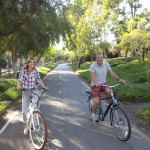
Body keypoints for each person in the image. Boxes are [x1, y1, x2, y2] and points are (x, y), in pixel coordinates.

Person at [90, 52, 125, 122]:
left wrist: (119, 79)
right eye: (98, 58)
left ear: (103, 58)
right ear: (96, 59)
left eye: (101, 57)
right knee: (96, 102)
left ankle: (108, 104)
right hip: (95, 85)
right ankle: (94, 114)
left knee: (109, 92)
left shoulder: (106, 64)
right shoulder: (93, 66)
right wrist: (96, 83)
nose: (99, 59)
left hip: (103, 83)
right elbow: (92, 78)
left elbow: (112, 73)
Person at [16, 58, 46, 135]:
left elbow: (39, 80)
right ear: (28, 63)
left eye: (33, 62)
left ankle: (34, 118)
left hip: (34, 91)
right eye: (31, 62)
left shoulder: (35, 71)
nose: (32, 63)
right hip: (26, 92)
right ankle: (26, 126)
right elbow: (20, 79)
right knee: (24, 112)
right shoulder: (23, 71)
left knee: (36, 106)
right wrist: (18, 86)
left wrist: (43, 87)